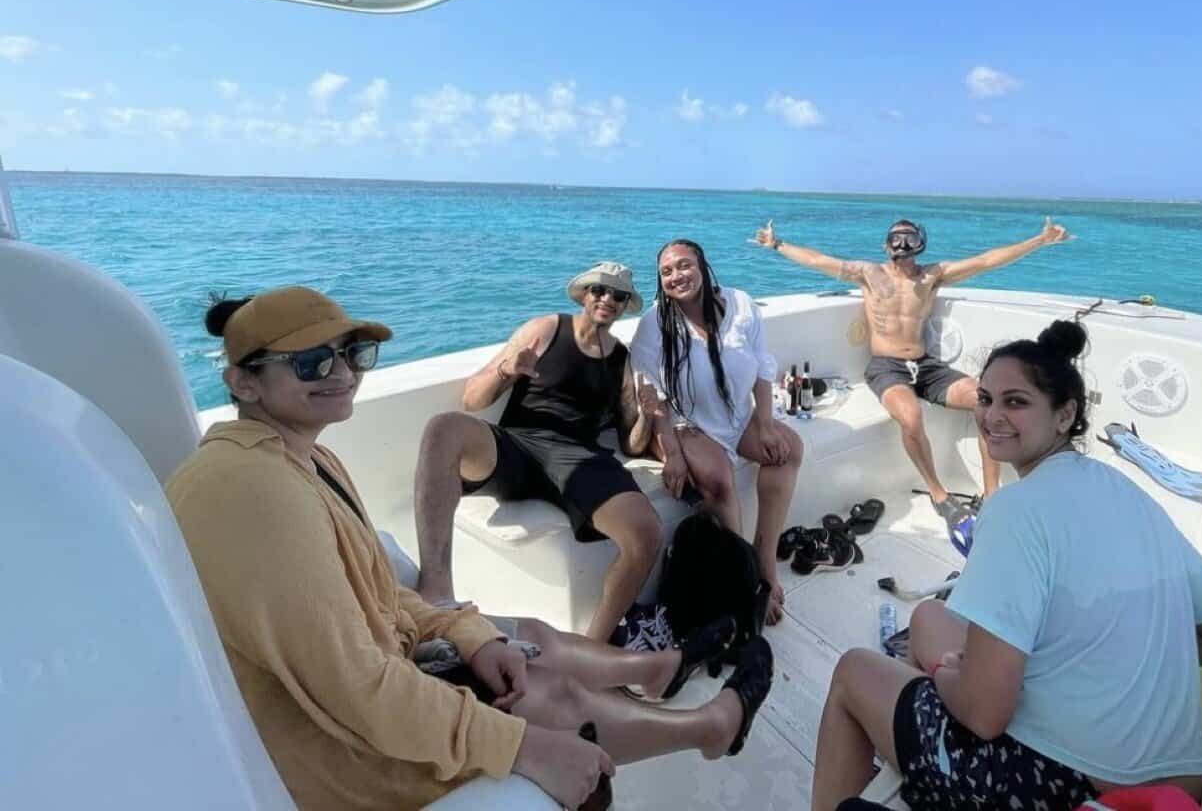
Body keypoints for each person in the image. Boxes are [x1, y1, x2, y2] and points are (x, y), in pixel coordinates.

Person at [167, 286, 773, 811]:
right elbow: (356, 693)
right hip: (343, 756)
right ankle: (711, 725)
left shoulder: (304, 457)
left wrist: (466, 634)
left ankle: (657, 668)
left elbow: (376, 596)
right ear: (242, 380)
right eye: (310, 363)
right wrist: (524, 746)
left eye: (352, 354)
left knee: (522, 633)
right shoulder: (250, 490)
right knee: (548, 695)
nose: (343, 373)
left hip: (381, 667)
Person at [809, 320, 1202, 811]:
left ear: (1065, 414)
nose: (991, 416)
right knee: (928, 618)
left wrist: (946, 680)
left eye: (1016, 402)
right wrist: (1123, 645)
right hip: (1178, 789)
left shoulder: (1016, 509)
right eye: (985, 399)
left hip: (1059, 787)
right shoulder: (1130, 496)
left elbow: (984, 716)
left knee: (855, 671)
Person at [755, 216, 1068, 526]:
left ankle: (991, 495)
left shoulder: (932, 276)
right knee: (911, 416)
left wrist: (1039, 240)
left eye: (909, 238)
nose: (902, 244)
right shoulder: (869, 274)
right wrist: (777, 244)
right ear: (886, 244)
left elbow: (986, 261)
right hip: (886, 367)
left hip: (926, 365)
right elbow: (819, 260)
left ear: (920, 243)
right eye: (896, 238)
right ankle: (938, 493)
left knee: (986, 400)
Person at [414, 261, 660, 642]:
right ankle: (436, 591)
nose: (607, 299)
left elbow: (631, 443)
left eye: (618, 295)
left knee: (645, 532)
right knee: (442, 428)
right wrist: (508, 371)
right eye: (599, 290)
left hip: (580, 459)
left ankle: (591, 649)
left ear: (625, 305)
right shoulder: (545, 329)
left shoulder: (621, 360)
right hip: (519, 445)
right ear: (584, 294)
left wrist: (647, 415)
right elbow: (471, 399)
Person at [629, 239, 803, 626]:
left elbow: (761, 367)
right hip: (685, 424)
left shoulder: (741, 304)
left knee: (788, 449)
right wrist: (671, 451)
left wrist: (766, 424)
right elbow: (651, 395)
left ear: (703, 266)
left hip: (738, 417)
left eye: (684, 265)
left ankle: (765, 562)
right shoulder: (653, 325)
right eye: (667, 271)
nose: (677, 275)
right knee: (719, 482)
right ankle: (743, 581)